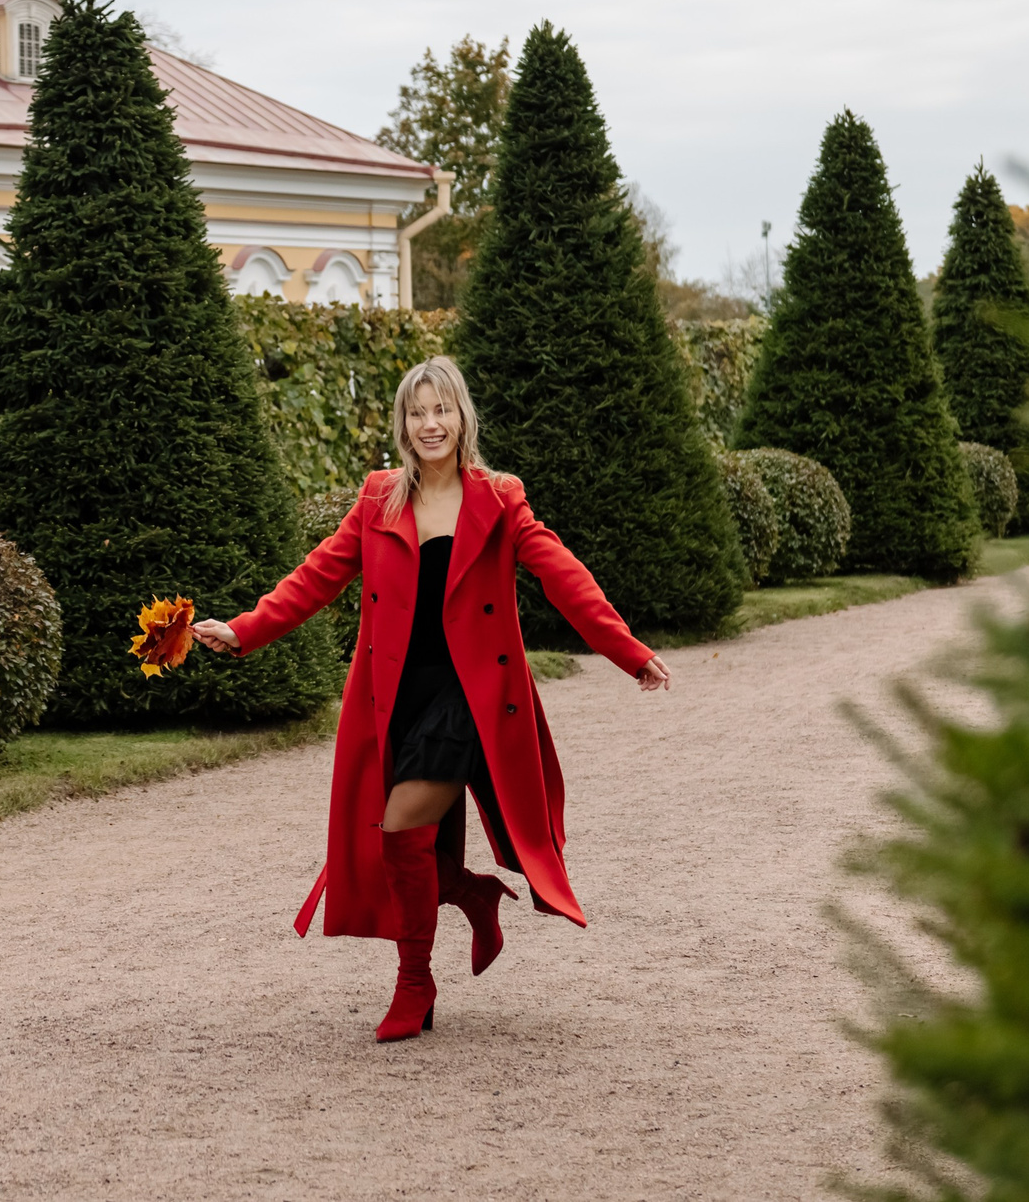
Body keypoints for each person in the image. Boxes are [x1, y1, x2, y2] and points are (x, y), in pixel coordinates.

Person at [193, 355, 671, 1042]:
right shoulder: (379, 497)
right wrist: (243, 630)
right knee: (401, 841)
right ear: (403, 424)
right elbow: (315, 578)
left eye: (441, 409)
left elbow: (564, 575)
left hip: (470, 697)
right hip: (396, 695)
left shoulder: (499, 496)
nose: (429, 423)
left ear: (462, 416)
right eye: (416, 412)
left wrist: (627, 649)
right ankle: (471, 893)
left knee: (400, 826)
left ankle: (414, 981)